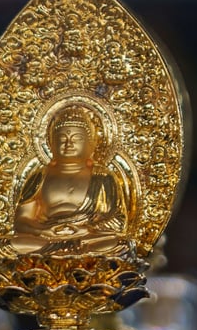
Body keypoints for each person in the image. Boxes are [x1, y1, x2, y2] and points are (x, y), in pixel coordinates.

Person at [10, 104, 130, 256]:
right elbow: (21, 221)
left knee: (122, 243)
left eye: (77, 138)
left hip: (86, 237)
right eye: (62, 138)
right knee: (5, 245)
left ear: (91, 143)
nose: (69, 144)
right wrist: (44, 231)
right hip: (48, 237)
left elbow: (118, 221)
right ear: (51, 143)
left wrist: (87, 229)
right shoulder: (40, 175)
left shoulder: (103, 176)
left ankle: (58, 252)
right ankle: (67, 251)